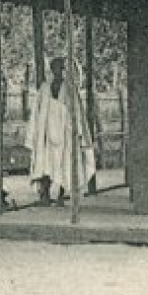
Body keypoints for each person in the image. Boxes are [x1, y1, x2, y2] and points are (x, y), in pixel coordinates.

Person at [27, 57, 96, 205]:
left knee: (66, 164)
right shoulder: (44, 89)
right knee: (45, 165)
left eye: (60, 68)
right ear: (51, 70)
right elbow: (36, 113)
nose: (58, 71)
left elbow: (77, 111)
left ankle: (61, 196)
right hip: (46, 135)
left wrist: (79, 133)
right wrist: (35, 133)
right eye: (55, 68)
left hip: (65, 133)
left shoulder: (70, 89)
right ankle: (45, 195)